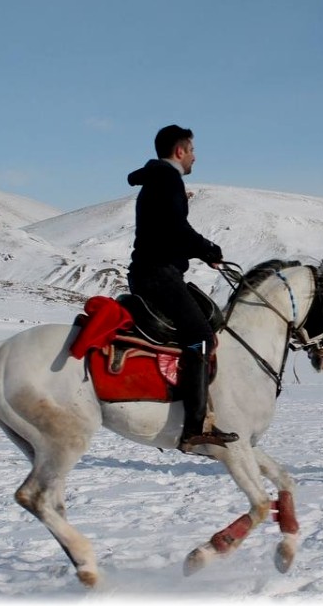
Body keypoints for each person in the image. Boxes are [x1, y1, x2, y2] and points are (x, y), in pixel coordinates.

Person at [127, 124, 238, 451]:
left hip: (155, 271)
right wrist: (209, 250)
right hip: (159, 274)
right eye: (191, 150)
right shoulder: (167, 179)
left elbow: (167, 230)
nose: (194, 157)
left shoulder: (157, 179)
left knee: (204, 320)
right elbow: (176, 230)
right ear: (179, 151)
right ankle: (194, 426)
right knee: (202, 337)